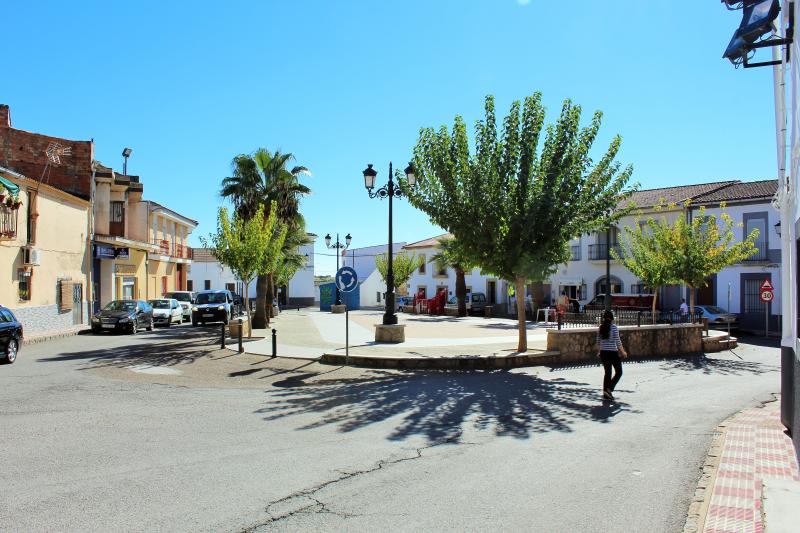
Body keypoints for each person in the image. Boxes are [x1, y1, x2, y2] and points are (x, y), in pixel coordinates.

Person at [596, 310, 628, 400]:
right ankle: (609, 389)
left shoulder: (600, 328)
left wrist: (599, 351)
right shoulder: (614, 328)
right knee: (619, 372)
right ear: (612, 318)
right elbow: (618, 342)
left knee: (607, 372)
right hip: (612, 352)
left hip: (603, 353)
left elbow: (598, 342)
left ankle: (606, 392)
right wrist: (623, 352)